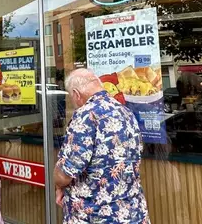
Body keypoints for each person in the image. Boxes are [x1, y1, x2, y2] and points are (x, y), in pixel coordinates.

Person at [55, 69, 150, 223]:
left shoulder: (85, 116)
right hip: (133, 212)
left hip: (96, 214)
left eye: (72, 97)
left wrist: (58, 184)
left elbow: (66, 172)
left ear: (76, 94)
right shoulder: (126, 112)